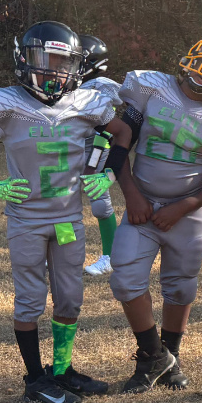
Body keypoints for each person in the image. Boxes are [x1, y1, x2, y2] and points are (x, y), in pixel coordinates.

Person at [0, 21, 123, 403]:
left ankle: (61, 369)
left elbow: (122, 134)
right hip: (27, 220)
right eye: (47, 59)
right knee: (29, 300)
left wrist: (108, 172)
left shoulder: (86, 103)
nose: (55, 70)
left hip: (68, 219)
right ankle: (34, 379)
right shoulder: (6, 103)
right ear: (25, 59)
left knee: (70, 299)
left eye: (63, 62)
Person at [108, 38, 202, 393]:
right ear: (189, 60)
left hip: (186, 212)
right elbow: (119, 146)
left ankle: (171, 358)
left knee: (181, 286)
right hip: (141, 204)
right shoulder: (151, 89)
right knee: (125, 280)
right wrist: (132, 195)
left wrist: (182, 207)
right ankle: (152, 355)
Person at [77, 35, 121, 276]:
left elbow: (106, 129)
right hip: (70, 146)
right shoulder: (69, 83)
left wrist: (93, 162)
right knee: (61, 201)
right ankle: (60, 252)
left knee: (99, 201)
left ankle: (110, 257)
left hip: (94, 146)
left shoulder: (100, 85)